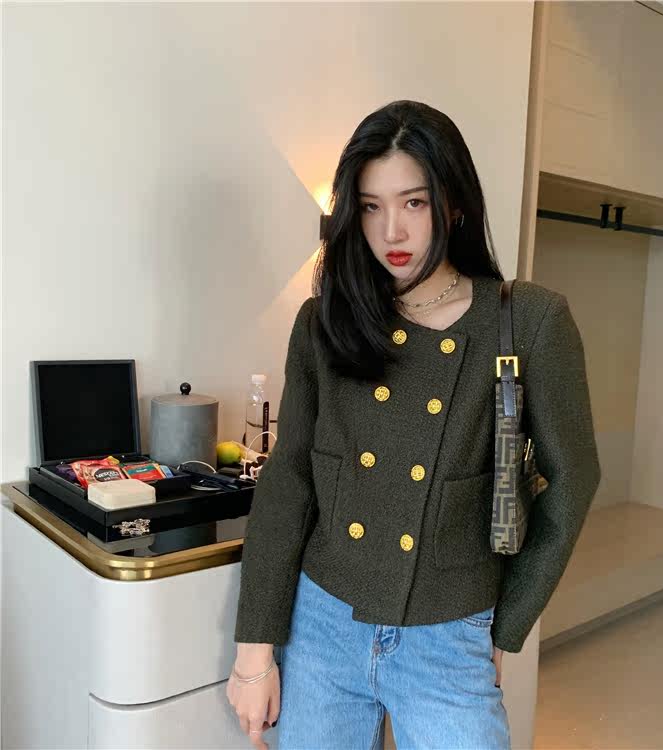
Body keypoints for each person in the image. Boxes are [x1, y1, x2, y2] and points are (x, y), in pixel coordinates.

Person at [227, 100, 601, 750]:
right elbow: (289, 482)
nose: (391, 231)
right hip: (323, 627)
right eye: (371, 206)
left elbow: (573, 481)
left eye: (414, 203)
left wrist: (508, 625)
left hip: (449, 636)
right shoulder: (324, 323)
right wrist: (253, 653)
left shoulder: (528, 321)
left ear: (453, 204)